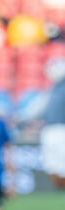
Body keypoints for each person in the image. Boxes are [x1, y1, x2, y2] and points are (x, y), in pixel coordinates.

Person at [41, 57, 65, 189]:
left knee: (62, 166)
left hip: (61, 129)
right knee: (52, 166)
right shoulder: (52, 89)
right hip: (50, 129)